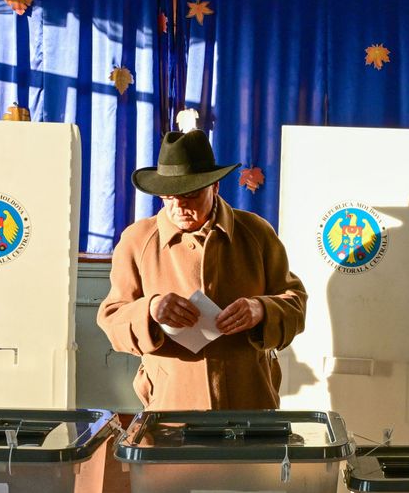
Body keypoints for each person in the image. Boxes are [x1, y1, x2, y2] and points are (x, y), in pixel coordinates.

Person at [98, 129, 307, 412]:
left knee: (252, 459)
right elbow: (111, 319)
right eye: (169, 197)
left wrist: (261, 310)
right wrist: (150, 309)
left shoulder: (257, 233)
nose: (179, 206)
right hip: (171, 403)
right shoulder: (137, 241)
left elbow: (295, 304)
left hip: (250, 398)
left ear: (215, 188)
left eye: (191, 195)